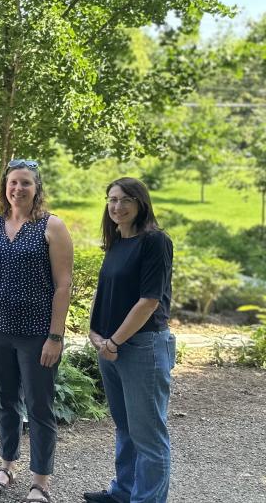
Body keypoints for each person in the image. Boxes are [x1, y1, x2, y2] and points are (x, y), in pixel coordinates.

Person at [0, 159, 73, 503]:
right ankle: (6, 466)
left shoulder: (51, 226)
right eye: (12, 183)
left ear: (36, 188)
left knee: (40, 406)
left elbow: (63, 285)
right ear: (5, 187)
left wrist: (55, 336)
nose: (17, 189)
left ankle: (40, 481)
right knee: (6, 401)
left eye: (25, 183)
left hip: (37, 333)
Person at [83, 178, 175, 503]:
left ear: (141, 203)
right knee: (125, 427)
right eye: (112, 200)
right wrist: (94, 331)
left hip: (143, 347)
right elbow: (103, 291)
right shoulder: (117, 242)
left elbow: (148, 302)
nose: (117, 207)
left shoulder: (155, 241)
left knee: (148, 435)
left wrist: (114, 342)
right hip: (111, 346)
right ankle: (123, 492)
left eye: (125, 200)